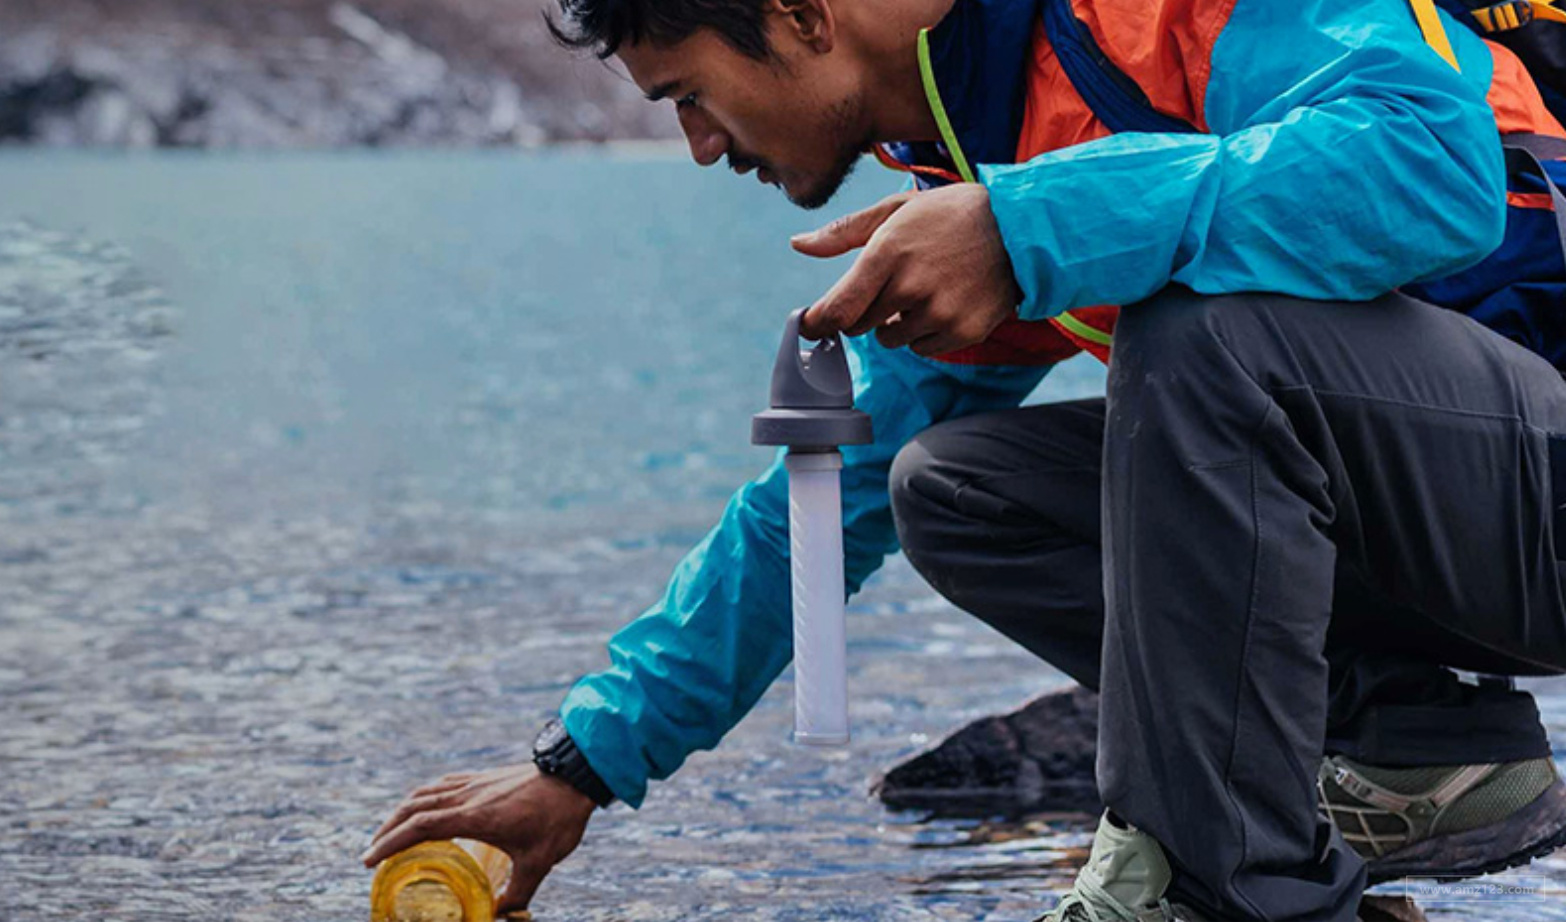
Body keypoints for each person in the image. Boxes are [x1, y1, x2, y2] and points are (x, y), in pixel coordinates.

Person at [360, 0, 1566, 916]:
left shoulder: (1144, 21)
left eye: (687, 92)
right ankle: (1421, 747)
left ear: (799, 13)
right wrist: (580, 762)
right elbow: (822, 506)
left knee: (1206, 340)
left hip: (1543, 493)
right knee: (951, 485)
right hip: (1462, 528)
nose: (694, 146)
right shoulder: (973, 149)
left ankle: (1219, 892)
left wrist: (1029, 223)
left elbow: (1431, 166)